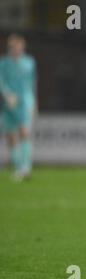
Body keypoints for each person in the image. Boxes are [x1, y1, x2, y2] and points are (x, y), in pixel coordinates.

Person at [0, 34, 37, 181]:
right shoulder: (3, 64)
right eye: (14, 47)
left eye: (19, 46)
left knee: (24, 131)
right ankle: (19, 167)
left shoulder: (29, 62)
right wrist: (7, 95)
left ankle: (26, 167)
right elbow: (1, 82)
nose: (17, 49)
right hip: (9, 102)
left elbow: (32, 83)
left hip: (24, 101)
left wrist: (34, 102)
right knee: (11, 137)